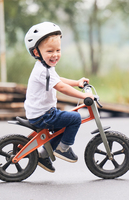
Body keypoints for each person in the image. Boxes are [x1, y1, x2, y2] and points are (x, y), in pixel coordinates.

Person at [24, 22, 94, 173]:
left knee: (65, 123)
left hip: (41, 113)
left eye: (58, 50)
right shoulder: (43, 71)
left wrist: (77, 83)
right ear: (37, 53)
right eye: (49, 51)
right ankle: (63, 148)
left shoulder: (45, 68)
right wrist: (84, 96)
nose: (55, 54)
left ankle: (44, 155)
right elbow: (61, 87)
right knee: (75, 118)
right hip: (43, 115)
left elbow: (59, 80)